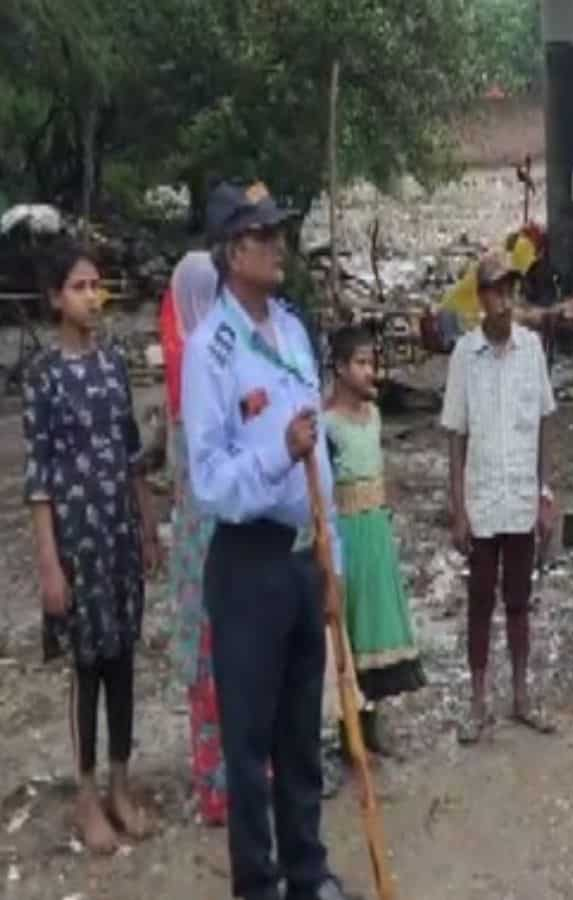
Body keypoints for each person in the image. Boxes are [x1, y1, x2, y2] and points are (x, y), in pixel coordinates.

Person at [182, 180, 360, 900]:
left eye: (280, 231)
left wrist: (332, 557)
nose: (280, 245)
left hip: (298, 555)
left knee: (299, 738)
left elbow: (319, 457)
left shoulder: (291, 329)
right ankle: (258, 886)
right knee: (249, 747)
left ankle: (307, 872)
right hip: (246, 564)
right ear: (233, 251)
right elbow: (210, 482)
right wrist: (276, 455)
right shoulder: (210, 351)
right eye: (265, 235)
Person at [23, 239, 160, 853]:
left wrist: (148, 524)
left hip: (119, 536)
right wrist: (49, 562)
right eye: (79, 286)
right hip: (75, 543)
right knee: (85, 667)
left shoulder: (113, 366)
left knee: (123, 660)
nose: (91, 296)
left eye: (95, 285)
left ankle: (121, 784)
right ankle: (83, 796)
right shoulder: (44, 379)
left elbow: (132, 455)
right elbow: (38, 478)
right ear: (56, 298)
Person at [440, 250, 558, 745]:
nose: (505, 299)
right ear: (481, 297)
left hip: (520, 498)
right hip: (484, 498)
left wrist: (545, 491)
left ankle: (521, 697)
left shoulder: (531, 350)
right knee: (480, 601)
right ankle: (478, 703)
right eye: (495, 290)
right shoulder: (465, 356)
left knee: (519, 600)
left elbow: (545, 421)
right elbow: (455, 436)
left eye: (511, 289)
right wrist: (458, 507)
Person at [324, 324, 427, 756]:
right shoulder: (327, 425)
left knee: (373, 627)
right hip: (346, 535)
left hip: (376, 533)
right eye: (362, 363)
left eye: (372, 362)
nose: (371, 372)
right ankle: (347, 730)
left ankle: (371, 725)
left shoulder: (374, 417)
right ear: (340, 369)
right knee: (345, 628)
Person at [160, 250, 226, 827]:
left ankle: (217, 783)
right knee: (226, 654)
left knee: (211, 658)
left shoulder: (183, 361)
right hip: (219, 534)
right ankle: (231, 779)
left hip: (195, 540)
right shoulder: (211, 361)